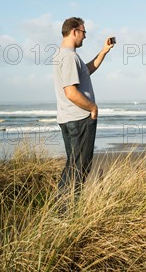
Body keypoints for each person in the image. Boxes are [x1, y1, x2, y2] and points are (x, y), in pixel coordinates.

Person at [52, 16, 114, 205]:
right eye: (84, 32)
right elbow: (70, 92)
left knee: (73, 166)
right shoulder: (69, 57)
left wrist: (104, 51)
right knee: (80, 168)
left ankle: (60, 210)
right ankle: (66, 212)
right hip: (79, 119)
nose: (85, 37)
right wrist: (92, 108)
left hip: (69, 118)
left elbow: (86, 70)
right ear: (74, 32)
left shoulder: (63, 55)